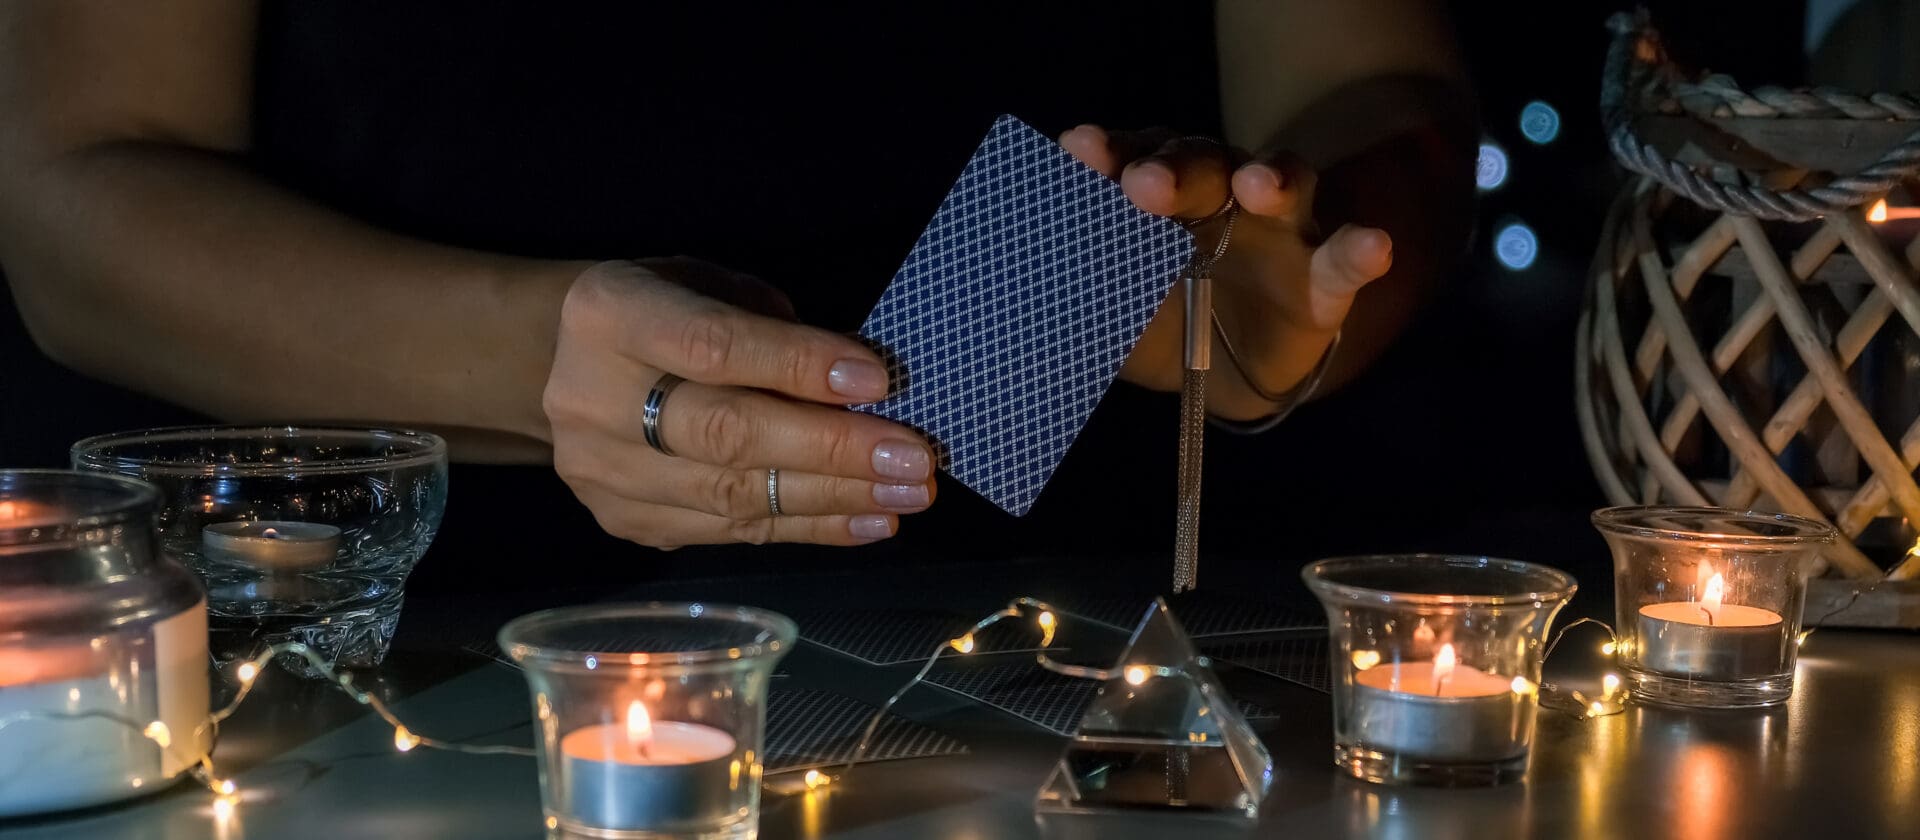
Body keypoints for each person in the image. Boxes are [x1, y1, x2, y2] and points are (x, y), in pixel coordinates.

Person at [0, 2, 1474, 559]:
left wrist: (1300, 276)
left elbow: (1373, 84)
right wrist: (531, 358)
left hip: (1077, 631)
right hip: (366, 609)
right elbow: (73, 194)